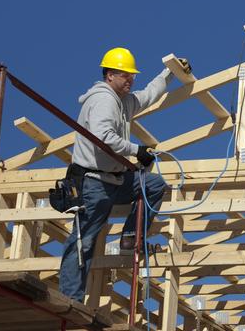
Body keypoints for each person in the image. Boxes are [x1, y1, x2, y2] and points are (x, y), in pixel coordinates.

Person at [58, 47, 191, 302]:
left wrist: (170, 73)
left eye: (132, 75)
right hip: (93, 183)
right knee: (82, 241)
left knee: (152, 184)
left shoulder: (122, 102)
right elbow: (102, 138)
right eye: (124, 75)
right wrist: (136, 150)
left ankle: (131, 237)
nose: (130, 79)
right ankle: (70, 300)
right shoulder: (104, 100)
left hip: (114, 180)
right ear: (109, 75)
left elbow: (149, 95)